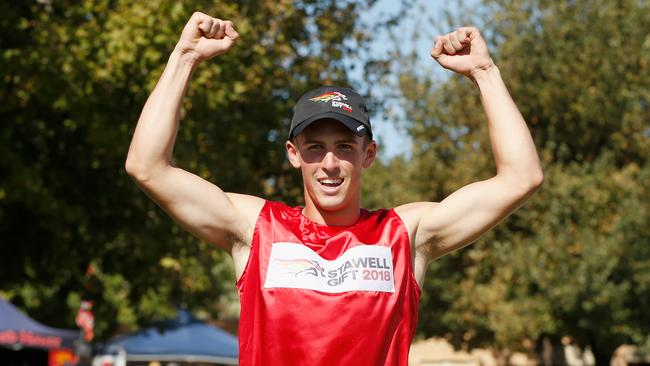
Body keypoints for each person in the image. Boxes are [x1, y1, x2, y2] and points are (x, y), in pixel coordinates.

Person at [125, 11, 543, 366]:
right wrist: (184, 58)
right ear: (293, 154)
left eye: (344, 147)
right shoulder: (256, 229)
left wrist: (485, 73)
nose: (329, 164)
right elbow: (147, 166)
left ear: (368, 154)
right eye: (315, 148)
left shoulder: (404, 235)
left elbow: (521, 178)